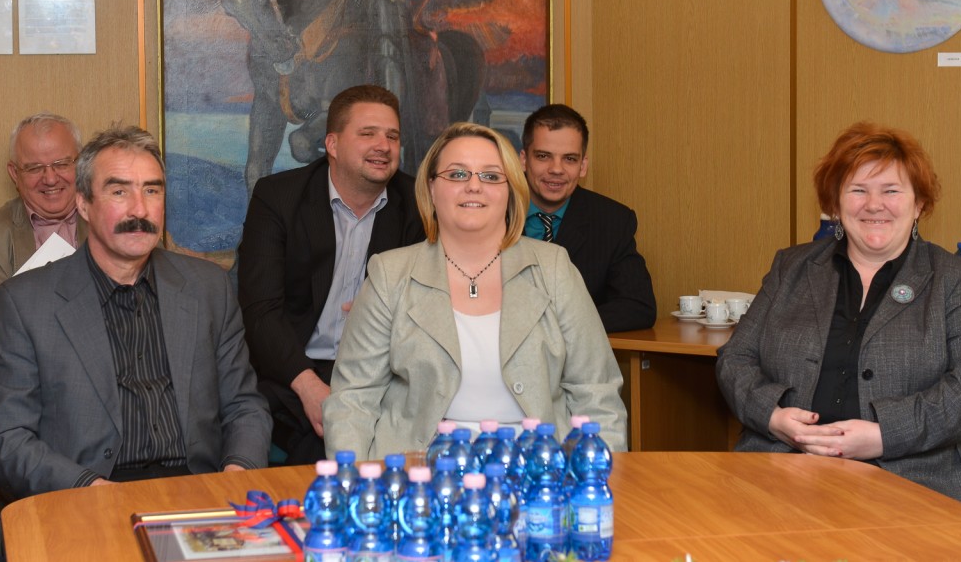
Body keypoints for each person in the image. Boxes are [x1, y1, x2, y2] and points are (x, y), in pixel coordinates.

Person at [0, 125, 271, 500]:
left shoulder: (208, 287)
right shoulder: (25, 302)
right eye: (119, 191)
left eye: (152, 190)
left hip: (197, 490)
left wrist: (237, 472)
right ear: (83, 204)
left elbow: (245, 406)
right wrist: (90, 489)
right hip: (85, 494)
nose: (139, 209)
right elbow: (4, 437)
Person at [716, 122, 961, 510]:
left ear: (919, 204)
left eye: (891, 190)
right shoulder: (790, 267)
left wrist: (884, 436)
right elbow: (735, 359)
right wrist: (773, 417)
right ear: (835, 203)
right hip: (785, 472)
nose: (874, 205)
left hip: (919, 484)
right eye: (858, 190)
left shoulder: (957, 279)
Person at [323, 122, 627, 460]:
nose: (473, 186)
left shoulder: (554, 268)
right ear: (431, 187)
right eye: (457, 174)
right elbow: (353, 400)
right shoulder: (388, 275)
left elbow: (596, 394)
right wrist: (356, 484)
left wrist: (602, 479)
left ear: (511, 190)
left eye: (491, 176)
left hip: (537, 475)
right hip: (420, 476)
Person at [238, 84, 424, 465]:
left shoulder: (417, 206)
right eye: (368, 133)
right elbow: (261, 312)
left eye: (392, 136)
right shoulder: (278, 198)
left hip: (380, 376)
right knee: (323, 442)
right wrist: (308, 385)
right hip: (293, 370)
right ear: (332, 145)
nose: (384, 146)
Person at [0, 113, 87, 436]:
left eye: (61, 164)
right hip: (22, 413)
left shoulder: (112, 224)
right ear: (15, 173)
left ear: (81, 164)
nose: (50, 178)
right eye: (34, 168)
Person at [520, 104, 655, 332]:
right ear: (524, 160)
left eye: (569, 159)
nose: (556, 169)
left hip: (576, 352)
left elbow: (638, 306)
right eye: (543, 156)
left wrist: (557, 327)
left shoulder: (612, 221)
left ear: (583, 166)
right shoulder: (492, 214)